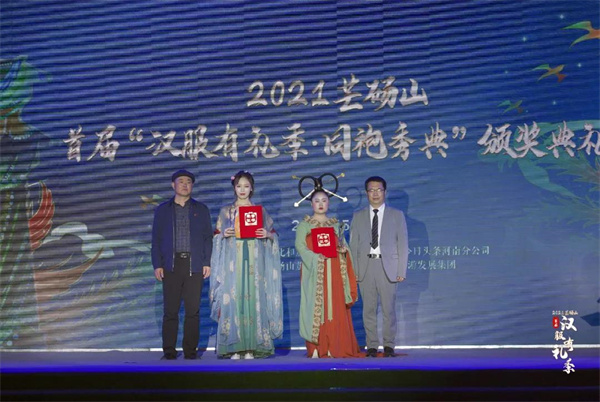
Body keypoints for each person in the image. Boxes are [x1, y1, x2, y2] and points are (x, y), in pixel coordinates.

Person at [209, 171, 283, 359]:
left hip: (254, 263)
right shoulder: (226, 211)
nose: (242, 190)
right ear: (234, 188)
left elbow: (273, 235)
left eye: (246, 186)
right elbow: (216, 237)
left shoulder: (260, 211)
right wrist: (223, 235)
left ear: (252, 188)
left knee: (254, 299)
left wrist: (267, 235)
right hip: (232, 264)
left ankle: (251, 346)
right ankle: (234, 346)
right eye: (239, 186)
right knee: (234, 300)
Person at [151, 169, 212, 360]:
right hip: (171, 265)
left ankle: (190, 350)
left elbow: (207, 238)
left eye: (188, 182)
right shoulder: (163, 210)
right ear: (173, 185)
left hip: (194, 265)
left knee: (193, 311)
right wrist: (157, 264)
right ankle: (169, 350)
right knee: (171, 311)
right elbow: (156, 239)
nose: (185, 185)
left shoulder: (201, 209)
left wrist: (207, 262)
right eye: (181, 181)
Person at [295, 189, 362, 358]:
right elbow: (300, 247)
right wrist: (315, 258)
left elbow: (343, 246)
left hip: (334, 270)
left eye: (324, 200)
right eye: (316, 201)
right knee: (315, 306)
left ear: (328, 203)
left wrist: (343, 250)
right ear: (311, 204)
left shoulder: (335, 225)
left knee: (334, 306)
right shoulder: (305, 225)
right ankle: (316, 348)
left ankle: (335, 346)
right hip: (314, 271)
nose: (320, 204)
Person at [350, 176, 408, 358]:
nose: (375, 193)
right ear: (366, 193)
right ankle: (372, 345)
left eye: (379, 190)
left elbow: (403, 244)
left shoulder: (396, 215)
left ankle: (389, 345)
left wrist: (401, 270)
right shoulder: (358, 216)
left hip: (388, 267)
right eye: (371, 190)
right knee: (368, 309)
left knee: (388, 309)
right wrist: (354, 271)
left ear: (385, 192)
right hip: (366, 267)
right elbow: (353, 245)